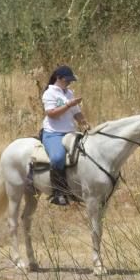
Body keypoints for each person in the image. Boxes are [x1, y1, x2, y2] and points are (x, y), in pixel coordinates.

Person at [41, 65, 89, 206]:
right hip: (53, 133)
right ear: (59, 78)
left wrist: (84, 122)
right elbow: (51, 114)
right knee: (57, 158)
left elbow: (76, 112)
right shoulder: (49, 94)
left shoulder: (69, 92)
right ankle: (58, 192)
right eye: (67, 80)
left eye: (70, 81)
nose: (69, 83)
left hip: (70, 132)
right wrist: (68, 105)